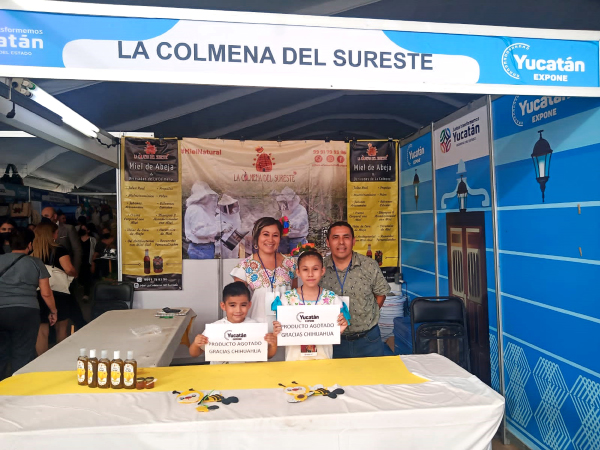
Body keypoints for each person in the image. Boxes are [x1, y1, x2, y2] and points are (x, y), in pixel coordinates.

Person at [320, 221, 391, 358]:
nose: (341, 242)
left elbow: (381, 294)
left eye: (346, 237)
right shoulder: (319, 269)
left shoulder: (369, 265)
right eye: (335, 237)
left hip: (368, 340)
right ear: (328, 242)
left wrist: (368, 315)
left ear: (353, 241)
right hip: (332, 340)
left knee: (373, 373)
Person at [0, 228, 57, 379]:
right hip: (26, 312)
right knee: (22, 353)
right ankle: (19, 387)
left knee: (1, 353)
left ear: (9, 243)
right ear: (30, 245)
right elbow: (46, 293)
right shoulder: (36, 263)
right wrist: (53, 311)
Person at [274, 250, 348, 361]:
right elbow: (282, 330)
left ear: (322, 271)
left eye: (315, 269)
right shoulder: (287, 299)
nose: (310, 274)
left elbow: (335, 331)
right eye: (305, 269)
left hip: (323, 361)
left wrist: (340, 328)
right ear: (298, 272)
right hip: (294, 362)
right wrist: (277, 330)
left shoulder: (332, 299)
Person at [189, 281, 278, 363]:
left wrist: (273, 344)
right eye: (232, 305)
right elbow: (194, 354)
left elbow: (267, 355)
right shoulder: (215, 328)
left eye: (243, 305)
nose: (238, 310)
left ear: (249, 305)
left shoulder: (256, 327)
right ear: (223, 306)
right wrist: (196, 344)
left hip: (249, 373)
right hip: (221, 373)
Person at [231, 217, 297, 325]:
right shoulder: (244, 266)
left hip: (286, 326)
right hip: (256, 326)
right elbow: (238, 303)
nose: (270, 240)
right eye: (266, 234)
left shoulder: (290, 263)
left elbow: (295, 297)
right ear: (257, 236)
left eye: (275, 235)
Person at [33, 222, 79, 355]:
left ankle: (42, 361)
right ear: (52, 234)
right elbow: (68, 269)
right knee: (61, 329)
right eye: (57, 233)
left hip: (39, 292)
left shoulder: (32, 251)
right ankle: (60, 359)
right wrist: (75, 274)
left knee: (42, 331)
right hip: (59, 292)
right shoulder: (59, 249)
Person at [184, 182, 222, 259]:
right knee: (204, 267)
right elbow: (200, 232)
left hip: (203, 248)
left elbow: (206, 225)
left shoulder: (199, 209)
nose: (209, 197)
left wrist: (220, 226)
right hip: (201, 248)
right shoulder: (196, 209)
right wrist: (219, 228)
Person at [41, 207, 82, 273]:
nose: (44, 219)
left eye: (46, 216)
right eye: (42, 216)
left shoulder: (68, 229)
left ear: (55, 216)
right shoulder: (41, 230)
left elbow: (77, 250)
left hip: (65, 270)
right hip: (46, 271)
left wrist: (75, 271)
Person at [274, 187, 309, 254]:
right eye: (282, 202)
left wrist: (287, 223)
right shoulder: (285, 210)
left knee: (297, 259)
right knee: (284, 258)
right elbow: (284, 222)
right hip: (285, 240)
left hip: (298, 240)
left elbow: (299, 223)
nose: (284, 204)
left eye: (285, 201)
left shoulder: (301, 210)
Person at [215, 194, 244, 259]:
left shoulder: (236, 215)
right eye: (229, 207)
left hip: (235, 240)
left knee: (234, 259)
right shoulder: (218, 217)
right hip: (224, 242)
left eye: (231, 206)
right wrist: (223, 227)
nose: (231, 208)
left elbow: (238, 226)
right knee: (226, 260)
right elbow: (216, 231)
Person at [78, 223, 97, 301]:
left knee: (87, 278)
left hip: (88, 261)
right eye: (81, 228)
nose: (82, 230)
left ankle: (86, 294)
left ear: (88, 230)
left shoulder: (92, 240)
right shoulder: (77, 239)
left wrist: (93, 262)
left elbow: (95, 251)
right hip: (79, 262)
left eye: (84, 229)